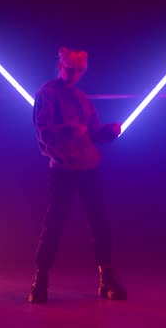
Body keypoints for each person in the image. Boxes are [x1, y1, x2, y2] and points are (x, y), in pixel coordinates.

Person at [28, 46, 127, 303]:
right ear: (61, 67)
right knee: (54, 224)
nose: (74, 75)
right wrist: (68, 131)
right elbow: (43, 134)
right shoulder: (46, 95)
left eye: (79, 71)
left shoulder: (82, 99)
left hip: (88, 166)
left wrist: (108, 132)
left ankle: (106, 277)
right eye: (70, 70)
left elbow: (92, 132)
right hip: (62, 168)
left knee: (99, 222)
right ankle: (41, 279)